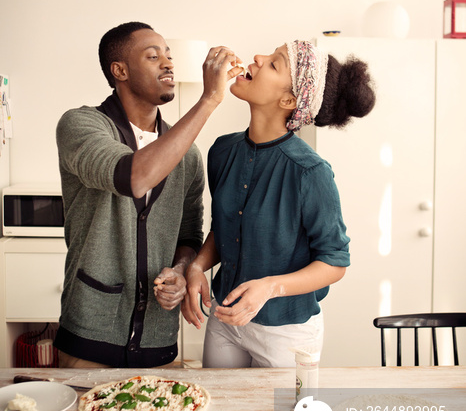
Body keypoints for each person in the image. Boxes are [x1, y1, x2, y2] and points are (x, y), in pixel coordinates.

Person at [54, 21, 242, 368]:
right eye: (153, 56)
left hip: (159, 343)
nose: (168, 63)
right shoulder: (80, 126)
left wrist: (181, 271)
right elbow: (134, 177)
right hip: (89, 342)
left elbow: (188, 235)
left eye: (169, 56)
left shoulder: (188, 155)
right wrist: (210, 99)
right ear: (120, 70)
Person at [181, 40, 376, 368]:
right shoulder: (221, 151)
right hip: (225, 319)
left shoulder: (310, 172)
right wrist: (197, 266)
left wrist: (270, 287)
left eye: (273, 63)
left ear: (288, 99)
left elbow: (335, 262)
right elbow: (226, 228)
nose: (257, 57)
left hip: (287, 333)